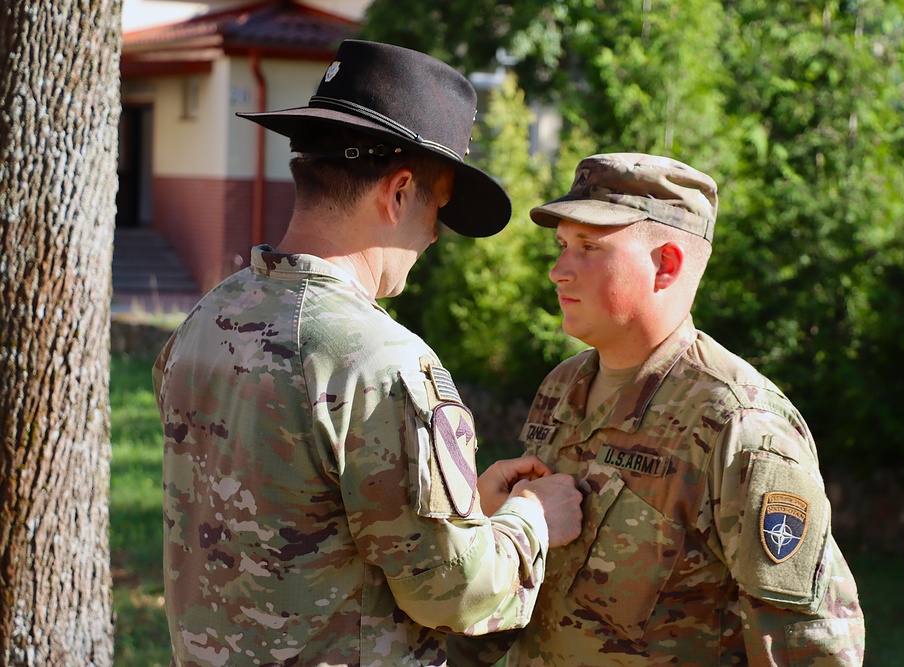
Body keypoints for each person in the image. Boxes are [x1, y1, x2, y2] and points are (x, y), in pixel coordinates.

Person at [152, 40, 582, 667]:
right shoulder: (382, 364)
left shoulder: (207, 317)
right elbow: (453, 594)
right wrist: (530, 519)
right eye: (437, 206)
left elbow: (306, 519)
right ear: (399, 192)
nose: (435, 233)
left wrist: (468, 514)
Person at [500, 153, 865, 665]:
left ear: (666, 265)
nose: (558, 271)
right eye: (562, 245)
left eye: (588, 247)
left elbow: (808, 648)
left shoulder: (739, 424)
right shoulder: (562, 387)